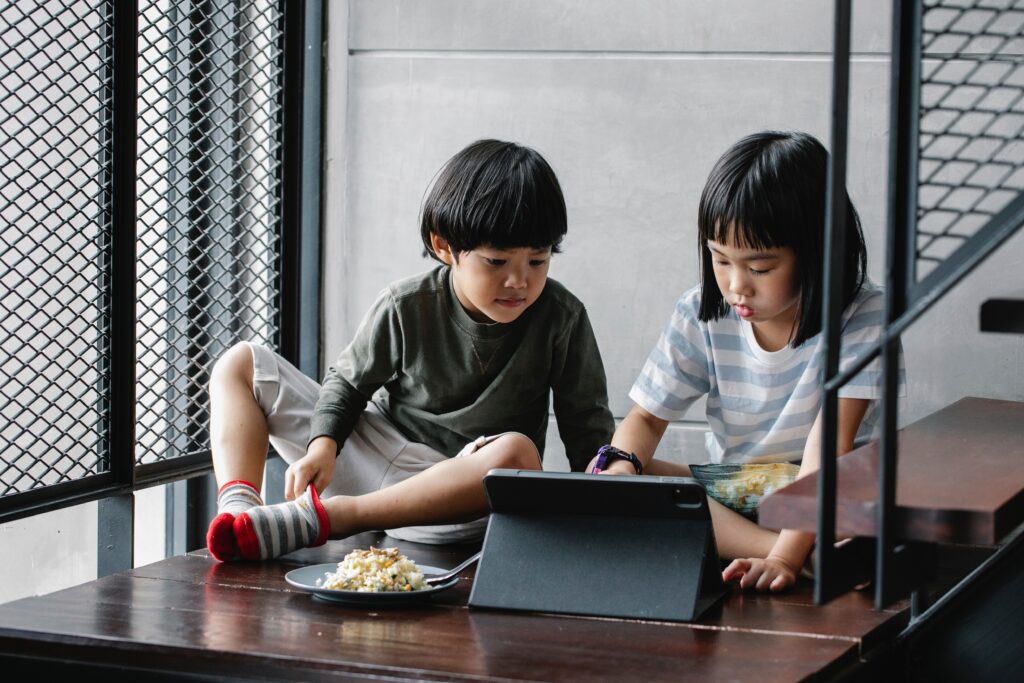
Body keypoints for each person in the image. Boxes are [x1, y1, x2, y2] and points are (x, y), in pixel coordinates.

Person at [206, 139, 614, 561]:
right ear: (444, 247)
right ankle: (239, 515)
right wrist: (323, 446)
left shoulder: (561, 317)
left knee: (517, 455)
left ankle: (330, 518)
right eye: (496, 262)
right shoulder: (406, 303)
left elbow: (589, 429)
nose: (519, 281)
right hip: (370, 460)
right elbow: (347, 384)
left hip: (452, 496)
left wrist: (603, 505)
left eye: (538, 260)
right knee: (241, 363)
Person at [590, 130, 904, 591]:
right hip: (742, 492)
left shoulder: (865, 316)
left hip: (832, 495)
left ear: (817, 253)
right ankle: (796, 555)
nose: (736, 285)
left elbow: (828, 453)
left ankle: (785, 548)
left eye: (759, 268)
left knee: (866, 512)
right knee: (620, 472)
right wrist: (619, 472)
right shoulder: (701, 311)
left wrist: (785, 559)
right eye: (720, 260)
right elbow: (644, 419)